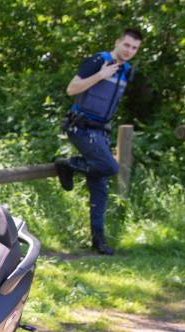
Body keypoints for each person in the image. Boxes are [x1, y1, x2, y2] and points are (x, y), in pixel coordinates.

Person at [55, 28, 142, 255]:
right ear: (117, 42)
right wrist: (100, 76)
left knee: (100, 186)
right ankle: (69, 165)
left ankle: (98, 240)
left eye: (134, 48)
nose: (129, 51)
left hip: (100, 132)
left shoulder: (127, 71)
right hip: (81, 127)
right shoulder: (97, 61)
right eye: (126, 45)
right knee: (110, 167)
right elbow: (71, 89)